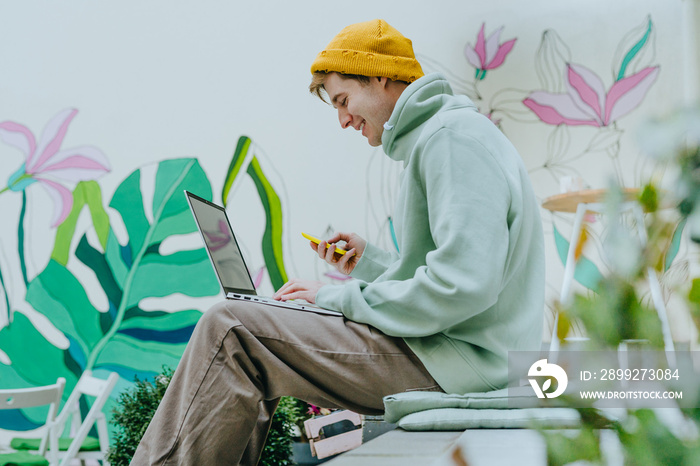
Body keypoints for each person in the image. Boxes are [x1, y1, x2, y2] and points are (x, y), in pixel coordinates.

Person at [131, 19, 544, 465]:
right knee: (249, 343)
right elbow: (454, 278)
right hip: (454, 353)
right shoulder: (444, 138)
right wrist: (369, 264)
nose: (344, 120)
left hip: (456, 363)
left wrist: (335, 299)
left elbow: (462, 287)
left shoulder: (450, 140)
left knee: (231, 326)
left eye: (344, 101)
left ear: (381, 76)